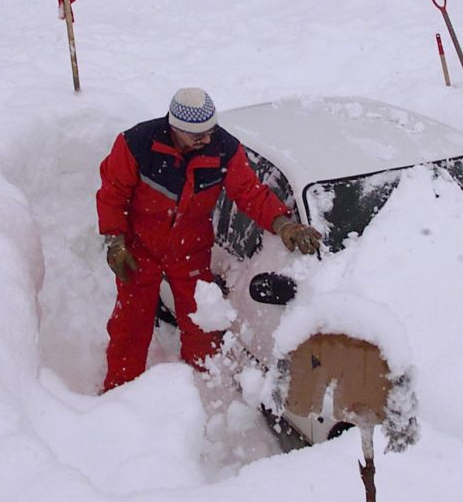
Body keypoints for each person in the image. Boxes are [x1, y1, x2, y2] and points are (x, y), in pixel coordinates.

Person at [96, 88, 322, 391]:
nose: (206, 139)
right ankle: (120, 391)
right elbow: (113, 193)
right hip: (140, 250)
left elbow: (249, 192)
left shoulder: (223, 149)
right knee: (130, 327)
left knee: (202, 324)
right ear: (175, 128)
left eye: (210, 131)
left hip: (190, 251)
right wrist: (115, 240)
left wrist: (284, 225)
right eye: (197, 135)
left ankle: (203, 386)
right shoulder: (136, 144)